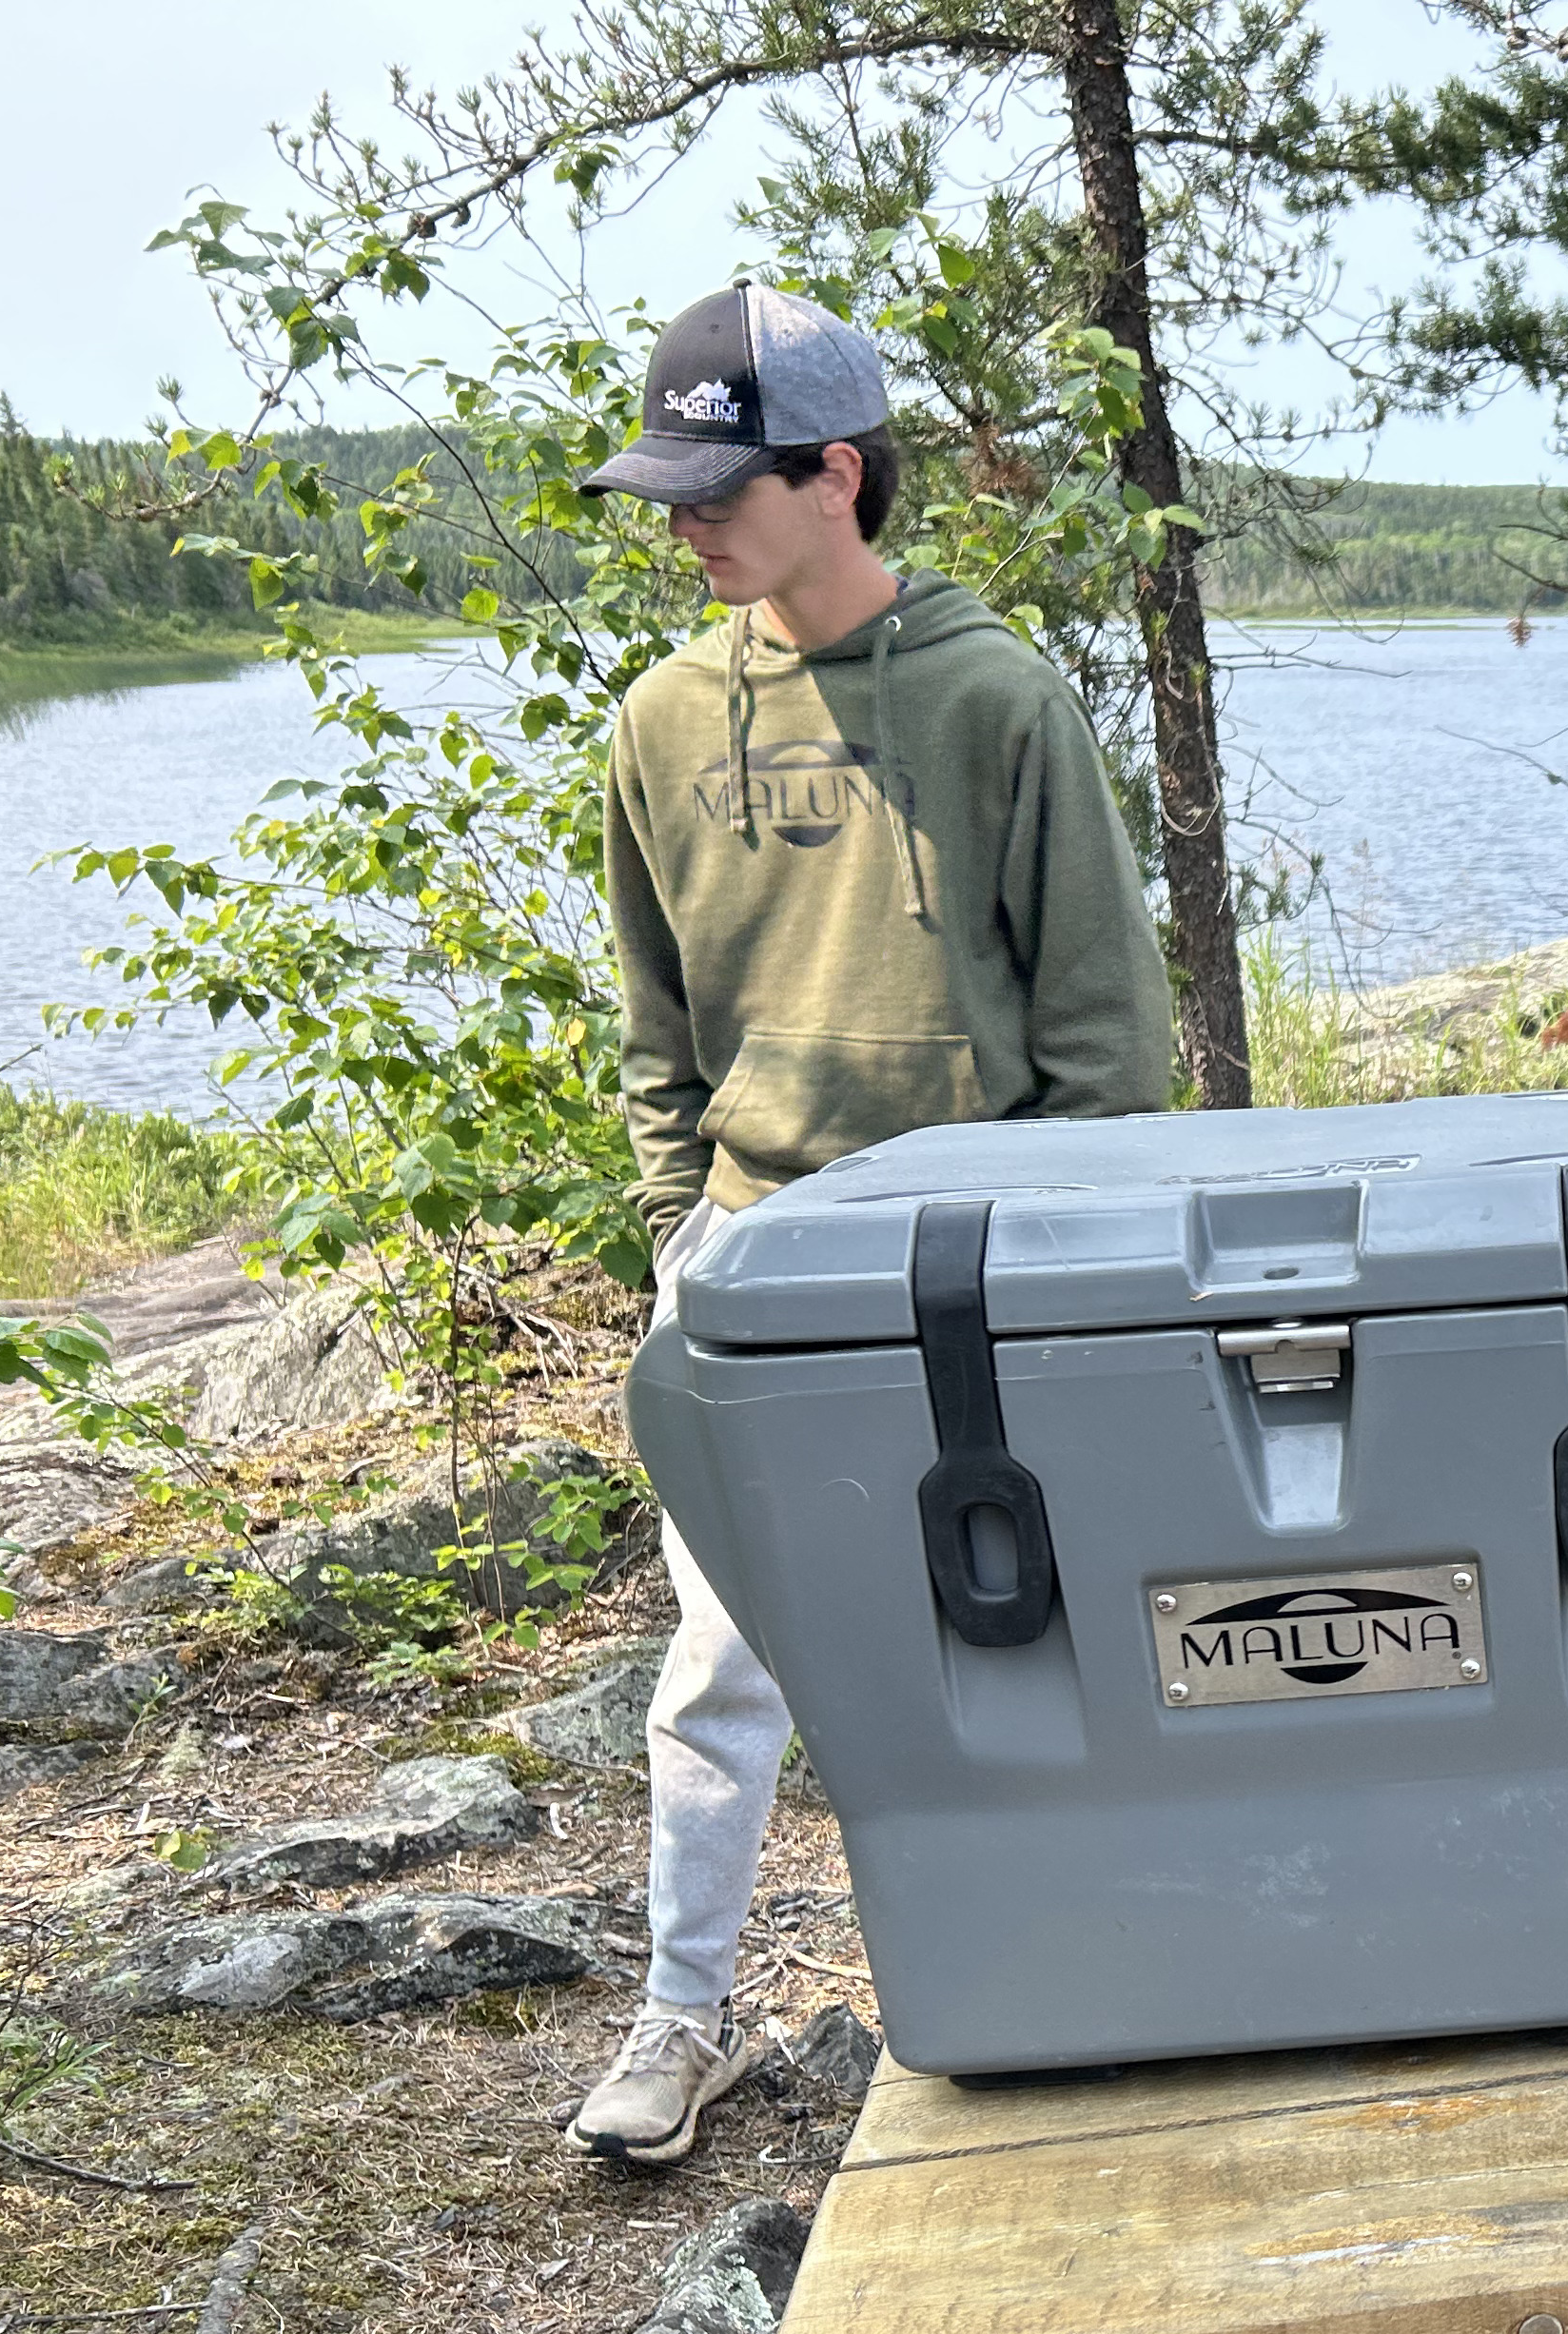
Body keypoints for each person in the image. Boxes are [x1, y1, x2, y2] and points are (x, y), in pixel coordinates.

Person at [569, 281, 1174, 2163]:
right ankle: (683, 2017)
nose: (683, 519)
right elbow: (656, 1023)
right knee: (720, 1666)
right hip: (754, 1271)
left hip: (980, 1277)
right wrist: (685, 1235)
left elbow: (1103, 1036)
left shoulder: (999, 704)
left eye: (717, 484)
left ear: (837, 476)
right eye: (665, 482)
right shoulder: (662, 726)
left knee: (1028, 1638)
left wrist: (1065, 1272)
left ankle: (1072, 1981)